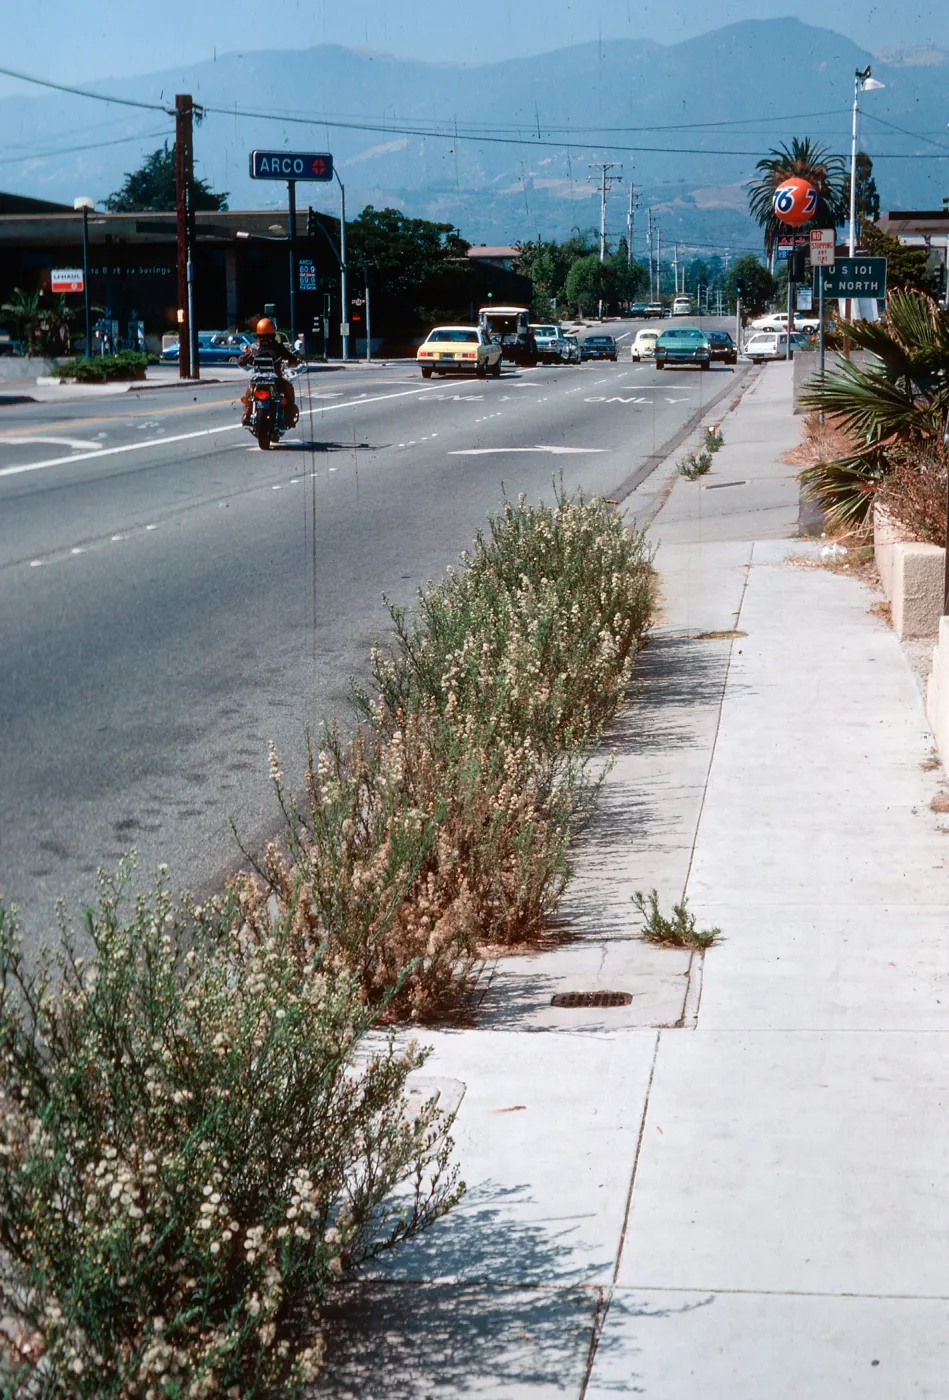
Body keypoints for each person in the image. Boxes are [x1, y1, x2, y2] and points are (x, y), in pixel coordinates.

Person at [238, 317, 301, 427]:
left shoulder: (253, 347)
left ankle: (247, 416)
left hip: (257, 380)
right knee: (289, 389)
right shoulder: (278, 347)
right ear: (273, 331)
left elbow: (241, 361)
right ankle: (289, 417)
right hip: (275, 379)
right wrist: (296, 361)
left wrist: (243, 361)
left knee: (249, 392)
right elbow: (292, 359)